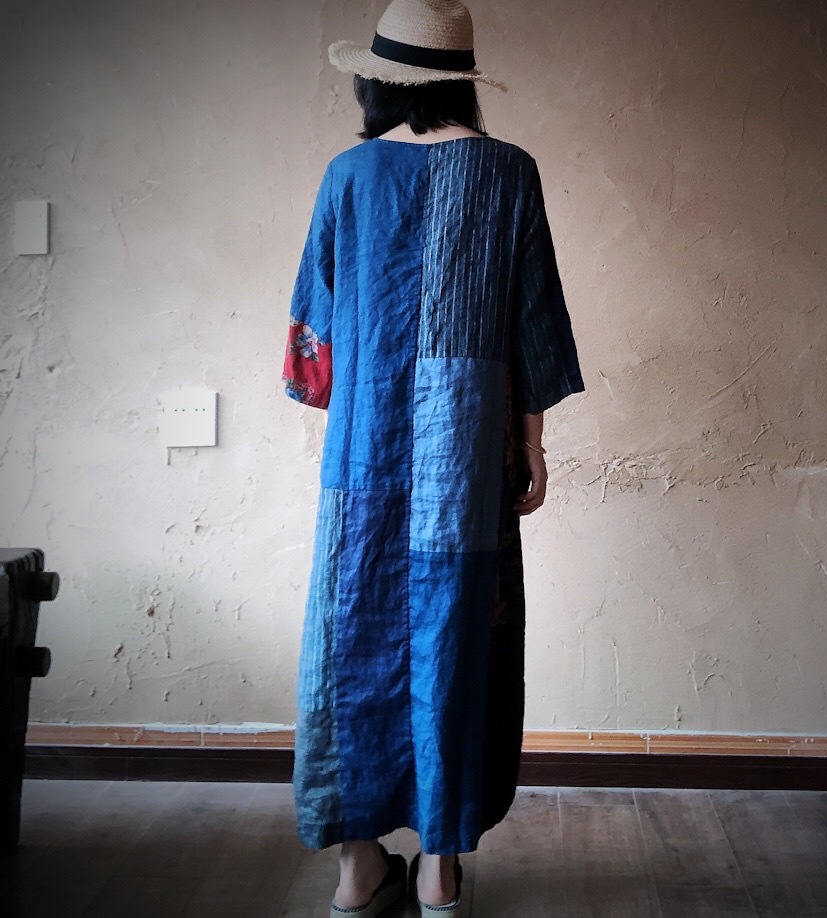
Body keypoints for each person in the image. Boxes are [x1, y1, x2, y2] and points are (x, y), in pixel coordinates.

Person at [283, 1, 584, 915]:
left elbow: (312, 352)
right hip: (467, 465)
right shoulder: (509, 172)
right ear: (461, 81)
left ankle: (354, 871)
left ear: (380, 83)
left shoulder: (348, 176)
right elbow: (535, 327)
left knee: (354, 639)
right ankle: (440, 870)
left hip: (363, 465)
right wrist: (531, 447)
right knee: (458, 640)